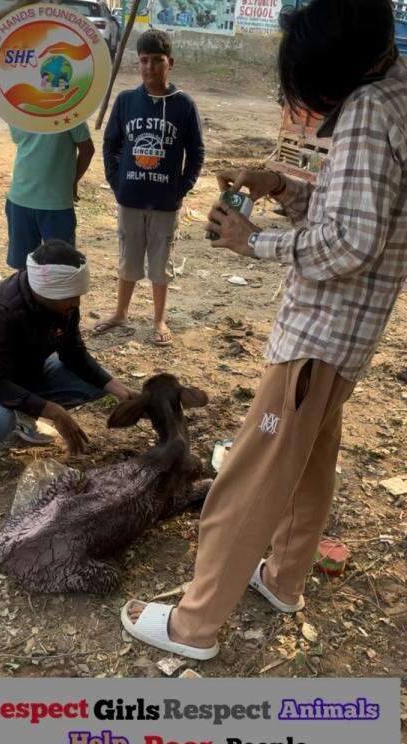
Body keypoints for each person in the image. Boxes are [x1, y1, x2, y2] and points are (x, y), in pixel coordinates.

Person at [119, 0, 407, 659]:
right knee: (307, 463)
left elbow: (353, 241)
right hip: (347, 339)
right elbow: (361, 207)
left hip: (320, 333)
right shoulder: (397, 89)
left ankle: (194, 625)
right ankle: (283, 579)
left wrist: (255, 245)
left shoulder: (367, 112)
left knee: (249, 475)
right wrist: (281, 186)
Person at [0, 240, 134, 491]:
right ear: (45, 292)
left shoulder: (63, 305)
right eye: (71, 297)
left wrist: (115, 387)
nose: (77, 304)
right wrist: (54, 412)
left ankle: (24, 416)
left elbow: (74, 353)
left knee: (93, 383)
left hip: (24, 372)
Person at [97, 29, 205, 346]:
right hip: (130, 198)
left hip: (165, 202)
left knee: (160, 264)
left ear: (169, 62)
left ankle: (159, 320)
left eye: (157, 61)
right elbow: (111, 144)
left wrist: (182, 187)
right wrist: (116, 182)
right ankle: (120, 313)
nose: (150, 67)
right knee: (128, 259)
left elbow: (196, 151)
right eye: (144, 61)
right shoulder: (127, 101)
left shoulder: (184, 105)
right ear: (138, 64)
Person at [5, 124, 95, 270]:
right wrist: (72, 181)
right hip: (31, 200)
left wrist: (72, 181)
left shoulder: (71, 113)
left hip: (35, 201)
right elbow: (87, 150)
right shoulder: (71, 111)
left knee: (60, 269)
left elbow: (87, 150)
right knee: (47, 269)